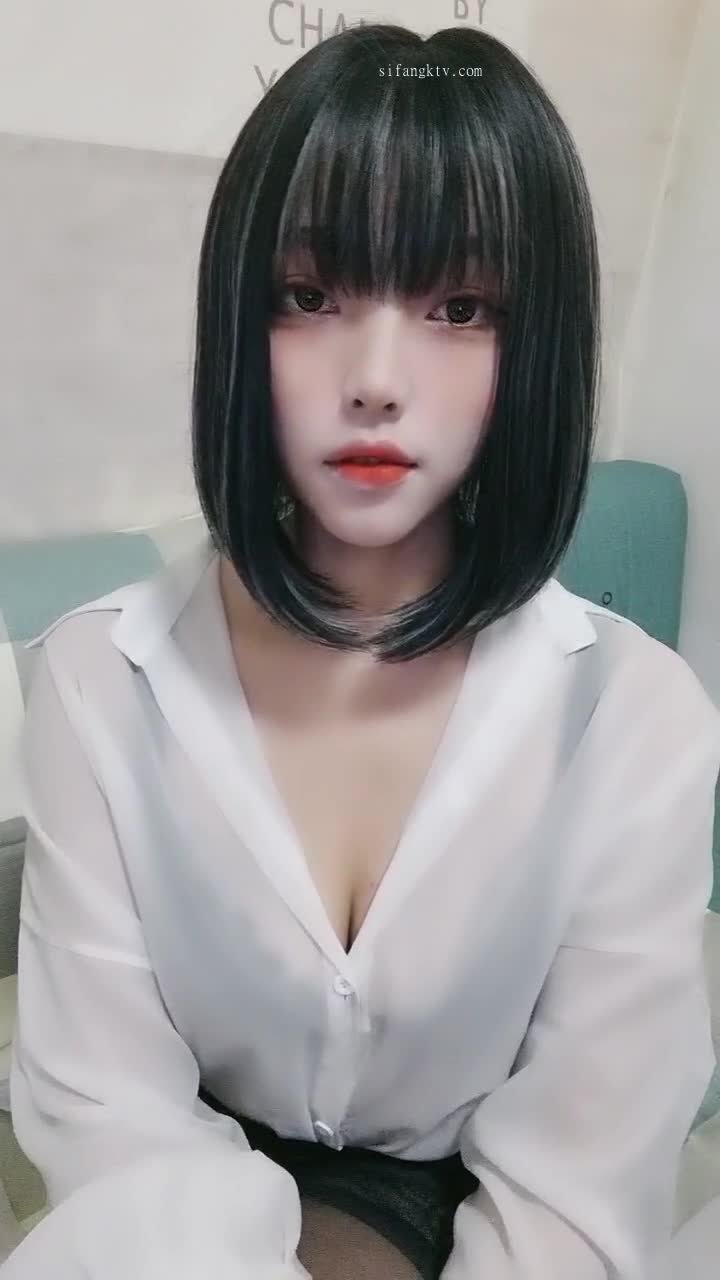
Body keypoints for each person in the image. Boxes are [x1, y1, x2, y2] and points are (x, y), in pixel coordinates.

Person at [5, 20, 720, 1280]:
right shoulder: (96, 680)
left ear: (535, 342)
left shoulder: (636, 718)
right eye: (309, 295)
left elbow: (582, 1177)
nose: (376, 377)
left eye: (460, 307)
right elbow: (108, 1115)